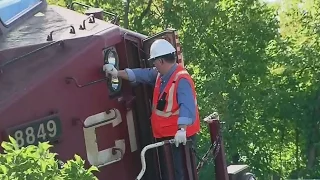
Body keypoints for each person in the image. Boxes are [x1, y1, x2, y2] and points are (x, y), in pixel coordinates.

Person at [103, 39, 200, 180]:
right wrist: (117, 73)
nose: (153, 64)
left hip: (181, 140)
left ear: (161, 61)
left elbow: (187, 105)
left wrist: (182, 130)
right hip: (167, 139)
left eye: (154, 61)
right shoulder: (161, 76)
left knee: (181, 175)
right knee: (170, 174)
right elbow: (142, 74)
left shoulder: (181, 79)